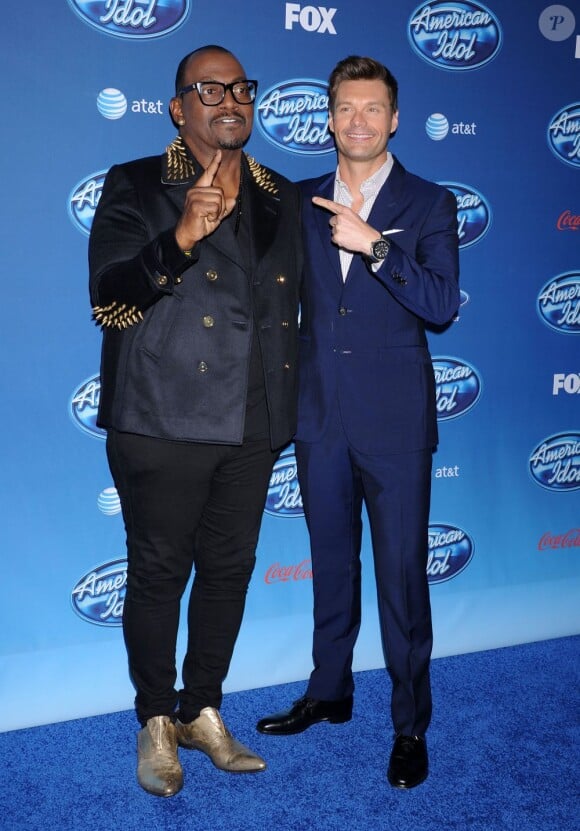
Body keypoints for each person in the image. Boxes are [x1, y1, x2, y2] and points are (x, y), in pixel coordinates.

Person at [89, 45, 301, 797]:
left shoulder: (280, 192)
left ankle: (201, 708)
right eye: (208, 89)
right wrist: (177, 240)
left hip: (252, 424)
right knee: (157, 573)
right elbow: (109, 302)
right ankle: (154, 720)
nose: (229, 98)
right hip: (163, 419)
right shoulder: (139, 183)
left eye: (241, 86)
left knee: (229, 572)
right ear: (178, 109)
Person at [256, 55, 459, 789]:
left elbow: (439, 303)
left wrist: (375, 246)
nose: (358, 121)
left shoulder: (430, 203)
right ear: (329, 118)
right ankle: (329, 688)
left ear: (394, 118)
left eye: (372, 108)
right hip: (320, 417)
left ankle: (410, 725)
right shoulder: (299, 200)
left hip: (397, 420)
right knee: (332, 565)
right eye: (345, 107)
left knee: (403, 575)